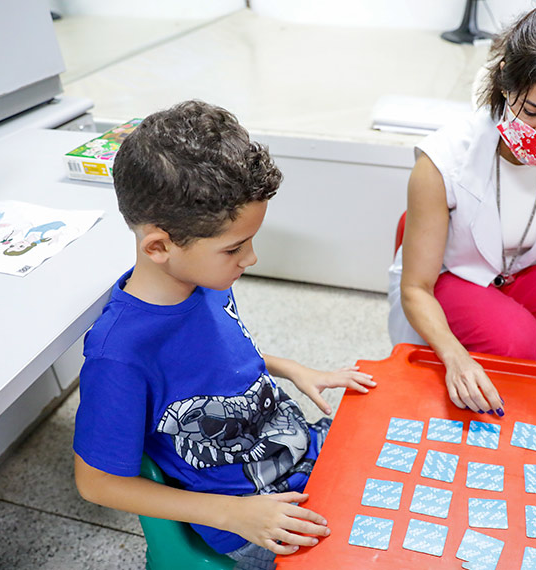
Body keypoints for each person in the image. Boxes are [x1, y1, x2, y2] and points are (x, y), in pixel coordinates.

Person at [73, 100, 376, 570]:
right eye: (235, 247)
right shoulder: (120, 354)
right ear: (159, 246)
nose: (250, 259)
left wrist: (291, 368)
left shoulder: (206, 281)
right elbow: (96, 483)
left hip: (301, 449)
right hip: (251, 514)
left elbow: (215, 361)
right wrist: (231, 513)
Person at [388, 0, 536, 416]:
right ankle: (501, 444)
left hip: (528, 266)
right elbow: (415, 288)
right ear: (504, 81)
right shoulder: (443, 160)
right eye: (532, 112)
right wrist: (456, 358)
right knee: (513, 342)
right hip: (451, 273)